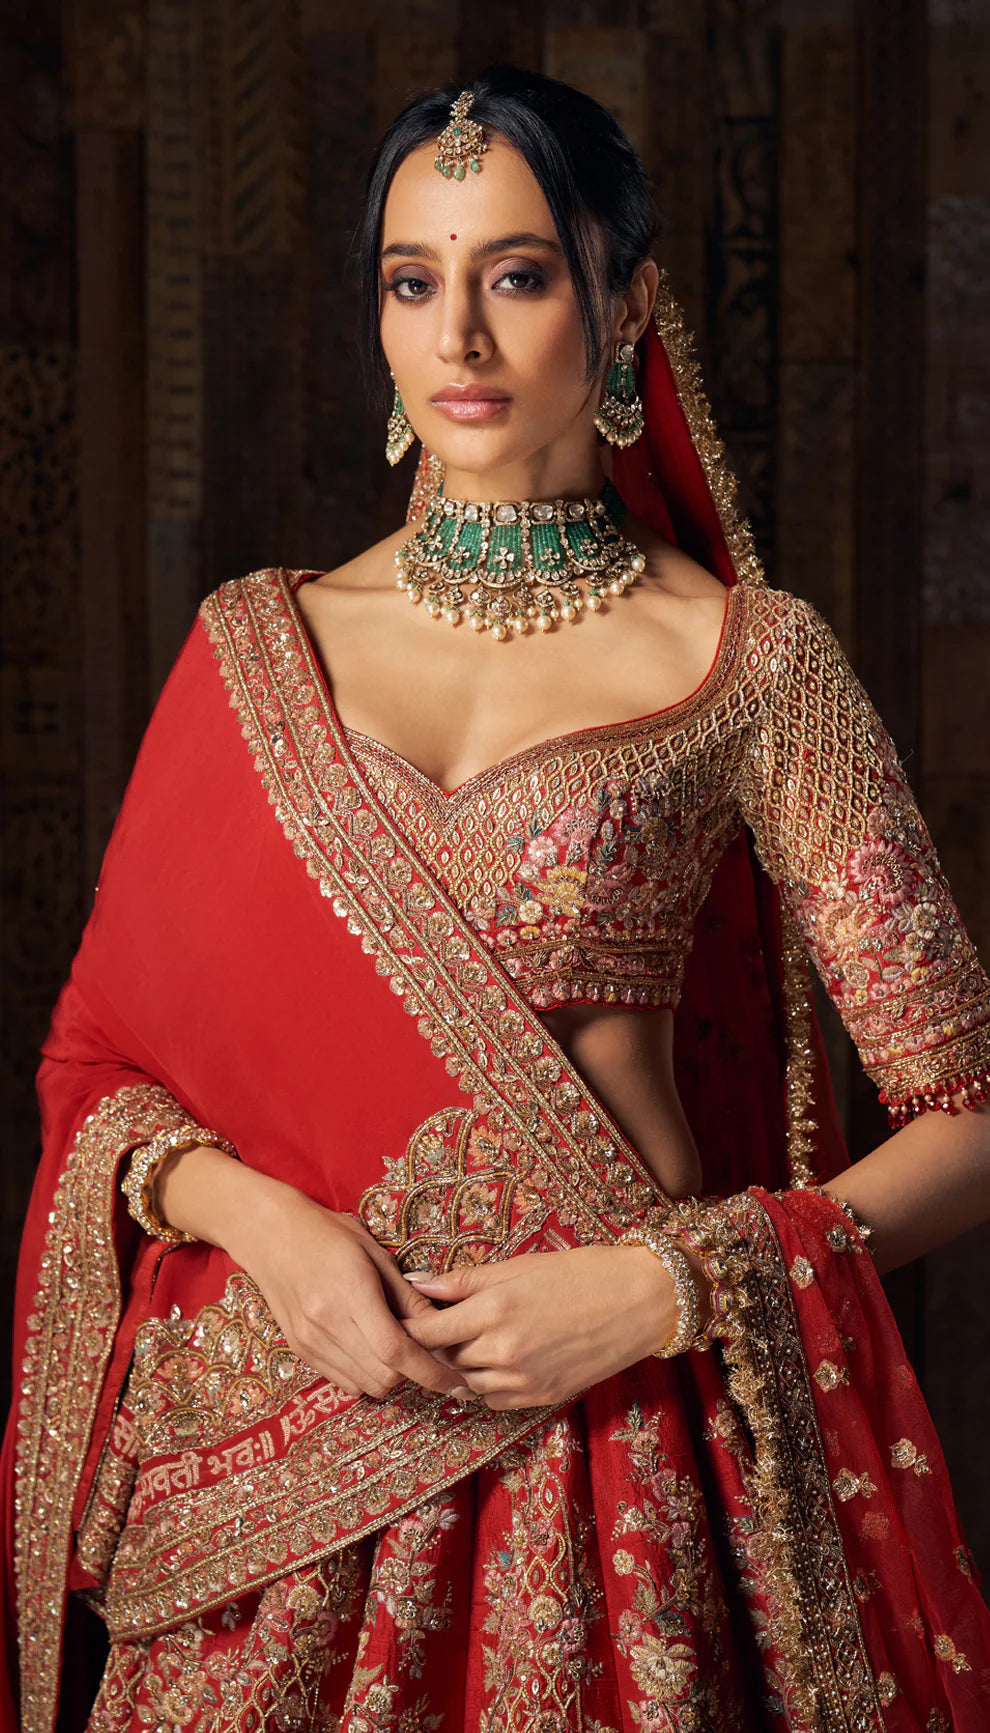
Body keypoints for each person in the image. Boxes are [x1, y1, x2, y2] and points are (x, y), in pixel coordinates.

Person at [3, 63, 990, 1732]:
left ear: (627, 307)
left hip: (611, 1447)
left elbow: (966, 1112)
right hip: (283, 1460)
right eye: (413, 281)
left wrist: (663, 1288)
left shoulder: (750, 665)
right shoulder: (257, 650)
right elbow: (98, 1067)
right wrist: (268, 1230)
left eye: (516, 275)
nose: (456, 334)